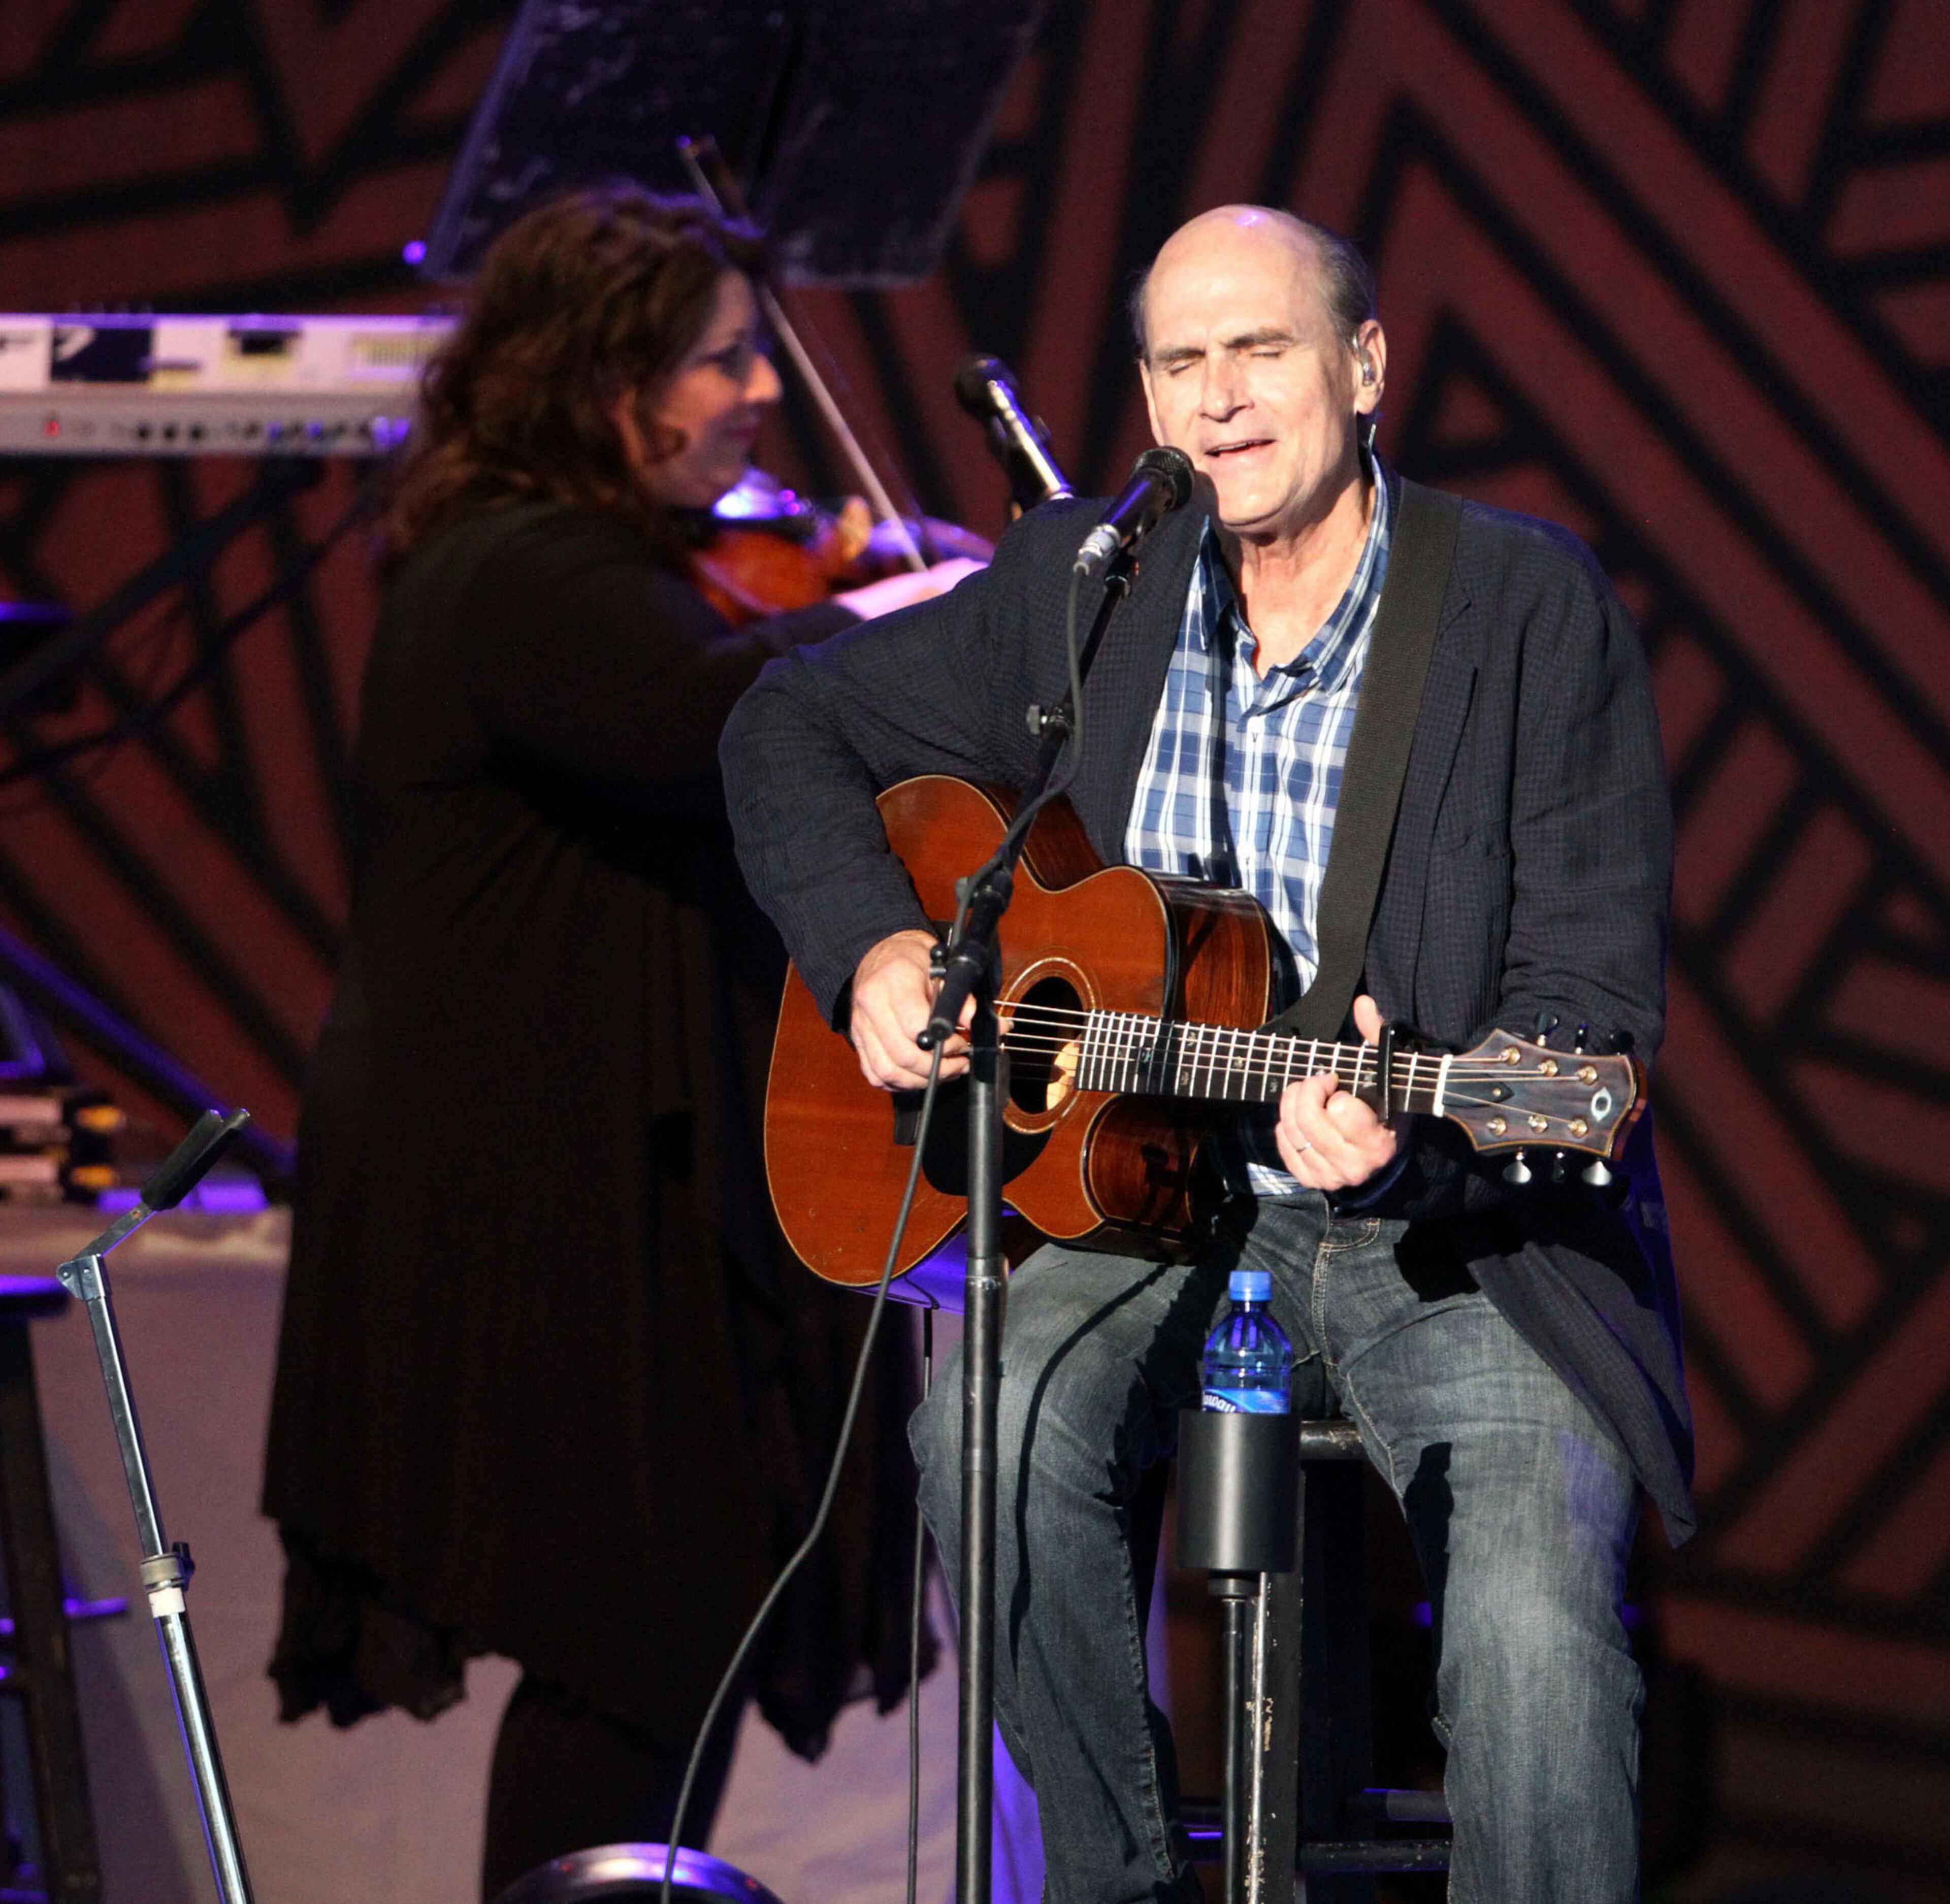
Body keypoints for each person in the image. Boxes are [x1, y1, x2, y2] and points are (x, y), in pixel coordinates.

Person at [719, 205, 1692, 1904]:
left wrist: (1414, 1137)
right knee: (981, 1440)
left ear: (1364, 366)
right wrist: (871, 947)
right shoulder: (1091, 584)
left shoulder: (1526, 607)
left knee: (1536, 1635)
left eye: (1263, 351)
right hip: (1144, 1199)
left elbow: (1587, 1005)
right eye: (1182, 363)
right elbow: (784, 721)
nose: (1221, 399)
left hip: (1460, 1234)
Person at [259, 187, 977, 1900]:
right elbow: (700, 718)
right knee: (634, 1621)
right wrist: (909, 611)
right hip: (528, 1187)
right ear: (602, 378)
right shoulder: (518, 567)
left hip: (593, 1164)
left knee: (666, 1621)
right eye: (722, 359)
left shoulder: (599, 565)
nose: (763, 392)